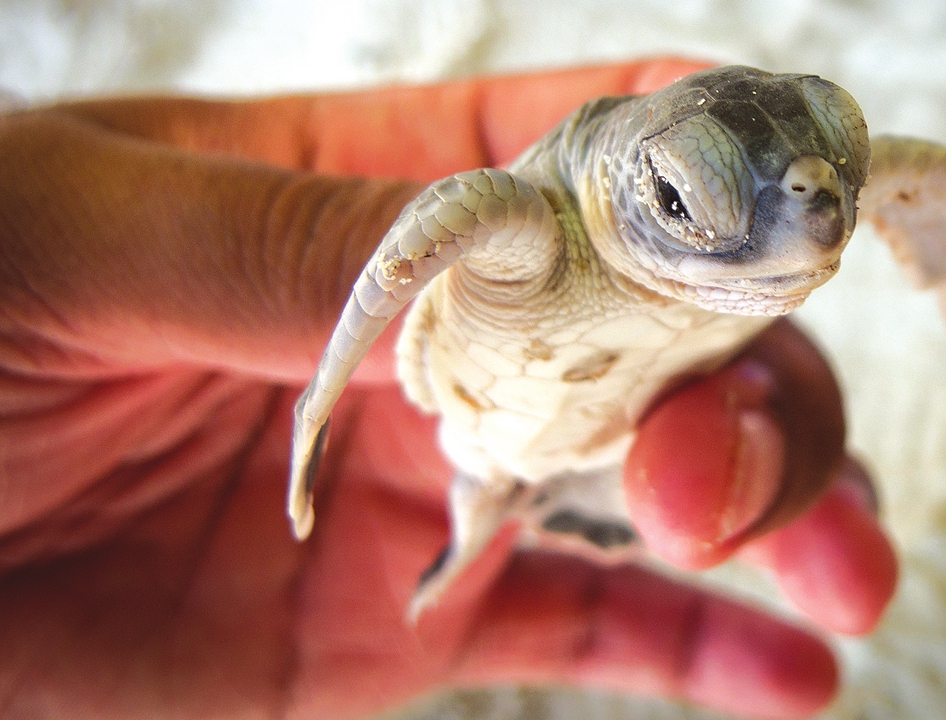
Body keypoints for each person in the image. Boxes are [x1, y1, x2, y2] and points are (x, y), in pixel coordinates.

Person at [0, 59, 897, 720]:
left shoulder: (809, 207)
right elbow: (386, 265)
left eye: (838, 167)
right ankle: (478, 529)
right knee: (514, 497)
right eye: (689, 197)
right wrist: (314, 411)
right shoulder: (523, 224)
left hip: (613, 432)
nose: (819, 223)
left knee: (688, 482)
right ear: (640, 182)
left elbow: (884, 179)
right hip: (480, 428)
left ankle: (513, 520)